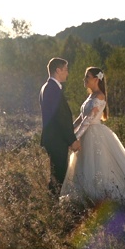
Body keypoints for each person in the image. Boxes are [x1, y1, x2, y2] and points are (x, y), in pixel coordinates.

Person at [60, 67, 125, 208]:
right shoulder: (90, 96)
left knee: (97, 165)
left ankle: (100, 198)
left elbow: (88, 120)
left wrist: (75, 137)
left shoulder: (100, 96)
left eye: (87, 77)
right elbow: (80, 119)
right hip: (86, 134)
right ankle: (85, 198)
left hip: (94, 135)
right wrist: (69, 133)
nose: (85, 80)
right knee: (83, 165)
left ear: (96, 79)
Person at [40, 57, 81, 195]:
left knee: (57, 174)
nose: (67, 73)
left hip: (54, 139)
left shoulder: (48, 87)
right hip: (56, 140)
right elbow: (60, 118)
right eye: (65, 70)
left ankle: (53, 203)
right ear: (58, 70)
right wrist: (72, 140)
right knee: (58, 175)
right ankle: (53, 205)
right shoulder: (52, 89)